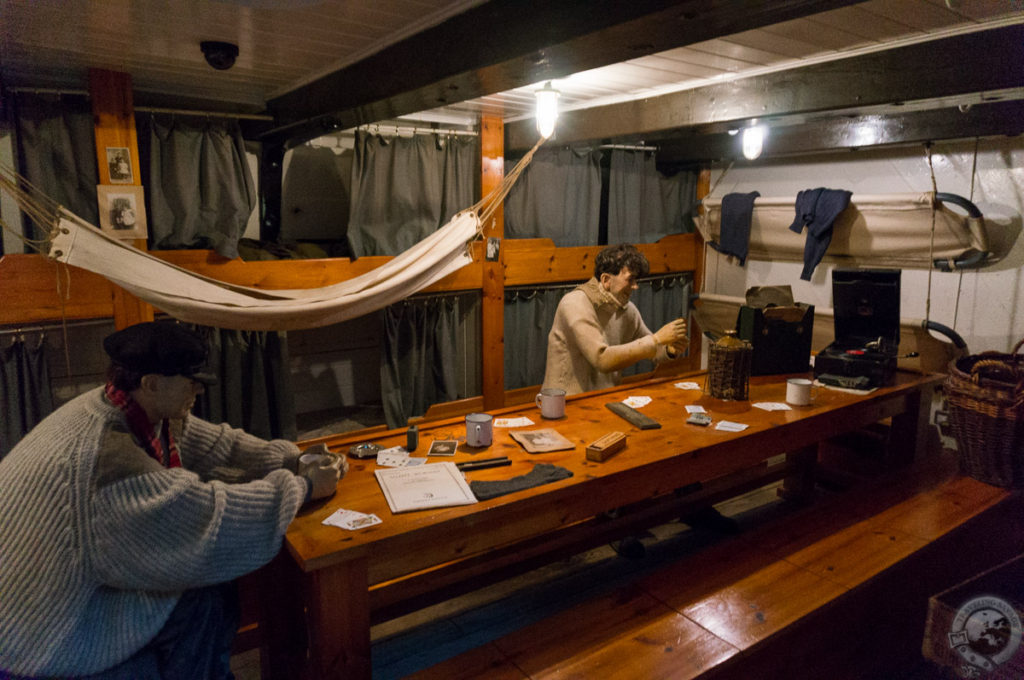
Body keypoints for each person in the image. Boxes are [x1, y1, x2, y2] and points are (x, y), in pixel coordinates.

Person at [0, 321, 344, 679]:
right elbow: (209, 518)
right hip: (42, 634)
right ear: (151, 382)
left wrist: (293, 458)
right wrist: (302, 487)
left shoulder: (126, 404)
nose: (198, 388)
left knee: (211, 592)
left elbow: (221, 444)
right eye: (190, 380)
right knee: (206, 598)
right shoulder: (109, 459)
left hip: (49, 598)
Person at [543, 243, 687, 395]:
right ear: (606, 280)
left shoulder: (627, 309)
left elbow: (653, 348)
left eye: (636, 280)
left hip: (605, 399)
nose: (635, 286)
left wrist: (669, 349)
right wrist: (656, 339)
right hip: (565, 403)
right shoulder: (575, 303)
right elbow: (601, 359)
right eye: (630, 279)